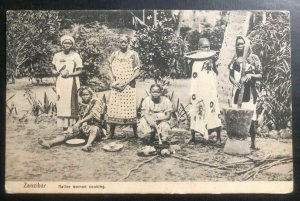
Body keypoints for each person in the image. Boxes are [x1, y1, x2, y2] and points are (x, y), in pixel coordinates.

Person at [38, 87, 105, 152]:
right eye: (83, 95)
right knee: (70, 131)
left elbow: (92, 115)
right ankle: (50, 143)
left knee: (94, 129)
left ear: (91, 94)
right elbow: (81, 117)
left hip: (97, 129)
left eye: (87, 94)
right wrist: (75, 126)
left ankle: (87, 145)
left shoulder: (96, 102)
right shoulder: (82, 104)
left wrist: (79, 123)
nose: (85, 96)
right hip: (85, 128)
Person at [228, 35, 262, 150]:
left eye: (242, 43)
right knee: (237, 115)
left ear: (246, 45)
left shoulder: (253, 58)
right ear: (236, 46)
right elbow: (230, 76)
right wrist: (234, 82)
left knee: (251, 117)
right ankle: (237, 141)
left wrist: (250, 75)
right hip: (237, 93)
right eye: (238, 44)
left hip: (250, 93)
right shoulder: (234, 59)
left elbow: (260, 75)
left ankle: (253, 143)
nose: (240, 46)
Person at [186, 38, 222, 144]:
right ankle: (193, 137)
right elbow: (190, 74)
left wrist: (214, 63)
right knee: (195, 110)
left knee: (214, 111)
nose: (207, 49)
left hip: (209, 90)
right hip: (198, 90)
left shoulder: (211, 59)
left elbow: (216, 73)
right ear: (199, 48)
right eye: (204, 47)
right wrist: (188, 62)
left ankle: (219, 137)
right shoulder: (194, 60)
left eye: (208, 47)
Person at [105, 34, 140, 139]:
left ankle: (135, 133)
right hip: (116, 86)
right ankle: (111, 133)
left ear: (128, 43)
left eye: (125, 41)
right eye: (121, 42)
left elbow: (137, 71)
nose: (123, 43)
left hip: (129, 86)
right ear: (118, 43)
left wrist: (126, 82)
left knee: (130, 108)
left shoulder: (134, 54)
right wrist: (113, 81)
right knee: (114, 108)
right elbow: (108, 67)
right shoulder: (114, 54)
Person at [52, 35, 83, 132]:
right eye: (65, 43)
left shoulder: (75, 56)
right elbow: (52, 68)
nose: (67, 45)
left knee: (71, 102)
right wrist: (55, 72)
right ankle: (64, 126)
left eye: (69, 43)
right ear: (62, 44)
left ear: (72, 45)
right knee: (61, 102)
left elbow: (80, 70)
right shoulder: (57, 55)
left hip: (72, 81)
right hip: (61, 82)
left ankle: (72, 127)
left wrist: (70, 74)